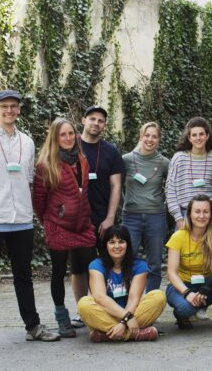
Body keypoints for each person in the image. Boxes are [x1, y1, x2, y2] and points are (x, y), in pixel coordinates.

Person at [0, 90, 60, 352]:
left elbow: (28, 181)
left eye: (14, 106)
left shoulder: (27, 142)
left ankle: (32, 326)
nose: (9, 110)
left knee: (24, 277)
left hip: (21, 220)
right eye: (4, 106)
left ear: (19, 110)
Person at [33, 118, 97, 338]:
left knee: (93, 270)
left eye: (71, 133)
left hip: (82, 226)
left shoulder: (82, 160)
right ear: (55, 138)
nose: (68, 138)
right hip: (58, 226)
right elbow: (39, 201)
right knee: (59, 272)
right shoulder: (45, 164)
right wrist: (51, 221)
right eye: (63, 135)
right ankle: (62, 318)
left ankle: (94, 314)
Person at [73, 105, 124, 328]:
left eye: (101, 120)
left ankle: (106, 306)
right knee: (79, 268)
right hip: (76, 220)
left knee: (106, 264)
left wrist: (110, 217)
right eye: (92, 119)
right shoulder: (70, 145)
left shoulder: (111, 151)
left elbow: (116, 185)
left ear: (104, 125)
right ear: (83, 120)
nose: (96, 123)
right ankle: (82, 310)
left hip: (103, 219)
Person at [77, 225, 165, 342]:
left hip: (132, 313)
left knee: (158, 296)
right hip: (105, 314)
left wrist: (124, 322)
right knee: (84, 304)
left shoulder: (139, 266)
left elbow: (134, 299)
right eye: (112, 242)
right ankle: (134, 334)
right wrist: (127, 318)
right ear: (106, 245)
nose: (117, 246)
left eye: (121, 242)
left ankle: (107, 334)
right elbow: (100, 298)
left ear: (127, 244)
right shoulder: (96, 265)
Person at [165, 195, 212, 330]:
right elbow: (171, 273)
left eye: (206, 211)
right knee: (185, 309)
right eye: (197, 211)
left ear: (211, 214)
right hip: (181, 286)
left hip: (206, 285)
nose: (202, 216)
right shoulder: (178, 236)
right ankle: (183, 315)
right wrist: (187, 293)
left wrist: (208, 287)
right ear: (189, 214)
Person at [121, 122, 170, 291]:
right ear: (141, 136)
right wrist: (125, 202)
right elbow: (115, 186)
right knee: (126, 259)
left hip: (156, 217)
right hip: (130, 217)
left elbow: (171, 188)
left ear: (159, 139)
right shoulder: (126, 160)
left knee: (155, 263)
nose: (150, 139)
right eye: (147, 135)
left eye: (154, 136)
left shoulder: (164, 163)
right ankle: (126, 302)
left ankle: (150, 304)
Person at [166, 117, 212, 229]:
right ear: (188, 137)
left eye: (201, 134)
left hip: (210, 213)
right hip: (184, 213)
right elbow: (170, 189)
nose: (198, 138)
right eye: (194, 135)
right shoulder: (179, 158)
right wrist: (178, 217)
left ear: (207, 136)